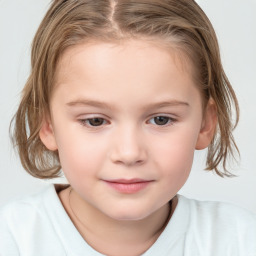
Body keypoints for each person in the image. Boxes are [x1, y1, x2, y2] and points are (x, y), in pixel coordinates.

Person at [0, 0, 255, 255]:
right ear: (46, 124)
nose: (129, 153)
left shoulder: (239, 240)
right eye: (95, 121)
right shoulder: (12, 239)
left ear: (205, 124)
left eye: (161, 119)